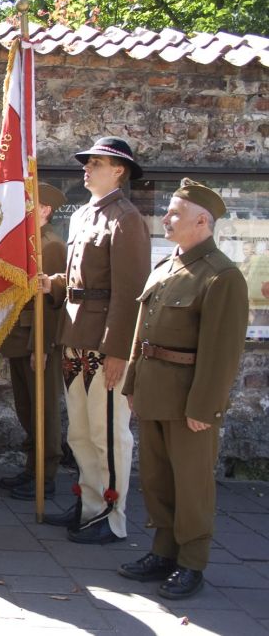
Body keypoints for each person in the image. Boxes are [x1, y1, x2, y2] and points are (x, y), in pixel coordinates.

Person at [118, 180, 248, 599]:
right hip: (154, 391)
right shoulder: (165, 267)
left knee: (191, 484)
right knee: (156, 479)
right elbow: (142, 334)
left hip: (189, 399)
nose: (166, 219)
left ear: (202, 222)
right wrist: (133, 383)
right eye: (168, 211)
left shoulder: (221, 276)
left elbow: (222, 352)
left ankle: (192, 561)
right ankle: (163, 551)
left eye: (176, 213)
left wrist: (204, 407)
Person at [41, 137, 151, 544]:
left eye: (96, 163)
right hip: (75, 335)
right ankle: (88, 503)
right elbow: (81, 281)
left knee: (108, 434)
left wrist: (121, 351)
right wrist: (53, 284)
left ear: (119, 170)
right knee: (80, 433)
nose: (86, 168)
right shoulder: (84, 215)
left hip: (105, 343)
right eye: (86, 163)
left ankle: (111, 512)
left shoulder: (126, 219)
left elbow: (130, 292)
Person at [0, 183, 67, 500]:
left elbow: (51, 304)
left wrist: (44, 345)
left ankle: (45, 473)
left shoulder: (50, 245)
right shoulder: (27, 242)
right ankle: (31, 467)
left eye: (30, 204)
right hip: (19, 337)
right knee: (27, 408)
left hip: (37, 340)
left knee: (44, 409)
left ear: (45, 210)